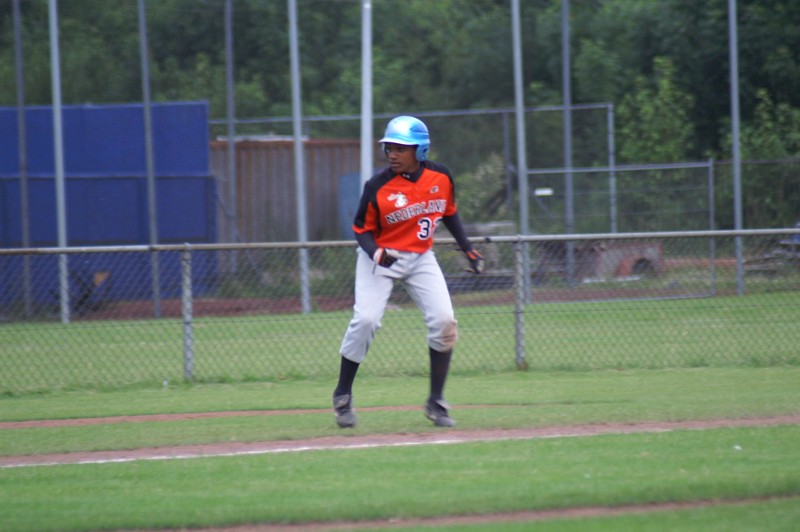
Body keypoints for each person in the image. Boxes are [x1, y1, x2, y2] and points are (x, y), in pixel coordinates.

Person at [333, 115, 484, 429]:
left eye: (401, 148)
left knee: (444, 321)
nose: (393, 153)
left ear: (421, 150)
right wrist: (375, 252)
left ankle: (436, 402)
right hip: (380, 256)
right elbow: (361, 229)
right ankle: (343, 394)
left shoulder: (441, 177)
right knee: (366, 320)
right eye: (390, 147)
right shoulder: (377, 186)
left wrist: (468, 249)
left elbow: (449, 213)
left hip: (420, 257)